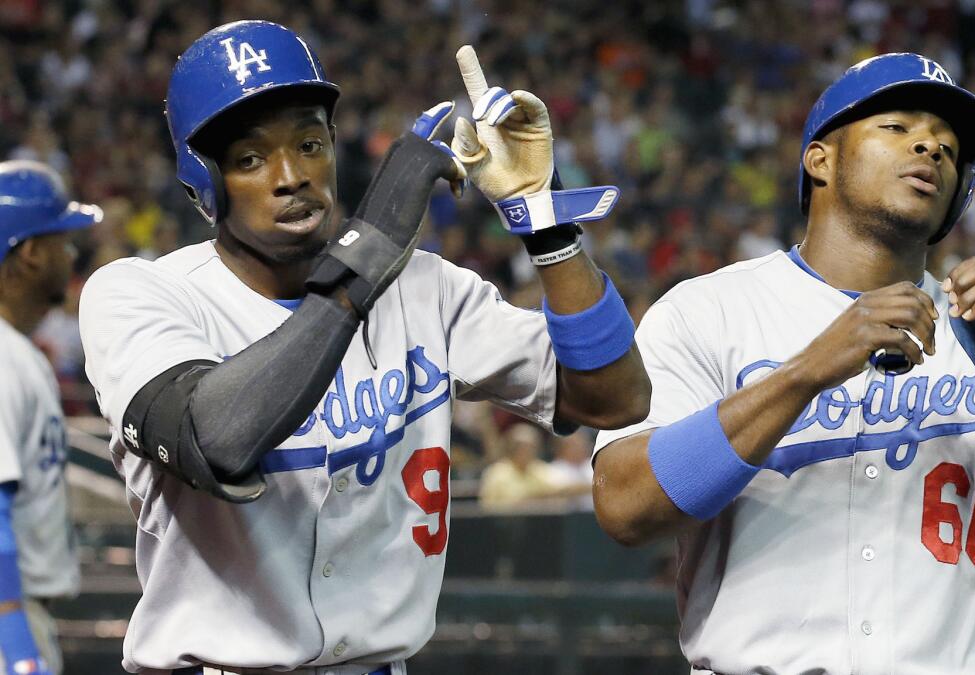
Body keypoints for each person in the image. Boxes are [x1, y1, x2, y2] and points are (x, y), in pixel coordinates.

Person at [78, 21, 649, 675]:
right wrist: (367, 252)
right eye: (249, 159)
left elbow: (616, 396)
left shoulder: (424, 288)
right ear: (201, 185)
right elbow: (216, 439)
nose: (290, 176)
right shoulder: (138, 293)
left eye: (310, 144)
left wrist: (546, 223)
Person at [591, 53, 975, 674]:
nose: (929, 146)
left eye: (947, 148)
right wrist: (805, 372)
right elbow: (625, 507)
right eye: (897, 128)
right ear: (821, 159)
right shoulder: (710, 310)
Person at [0, 161, 95, 674]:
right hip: (10, 616)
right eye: (61, 238)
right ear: (30, 253)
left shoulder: (19, 351)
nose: (72, 252)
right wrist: (14, 636)